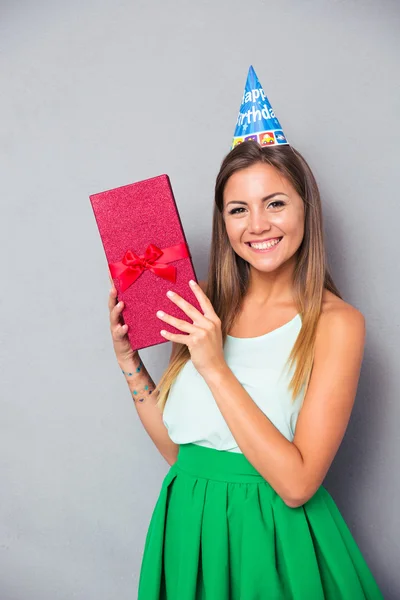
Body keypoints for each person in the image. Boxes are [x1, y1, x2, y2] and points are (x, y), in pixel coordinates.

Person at [108, 65, 384, 598]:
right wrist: (128, 361)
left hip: (272, 542)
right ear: (224, 222)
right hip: (187, 530)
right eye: (239, 209)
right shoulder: (199, 302)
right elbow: (181, 450)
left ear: (307, 208)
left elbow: (299, 484)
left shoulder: (336, 324)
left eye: (275, 203)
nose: (257, 225)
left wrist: (214, 364)